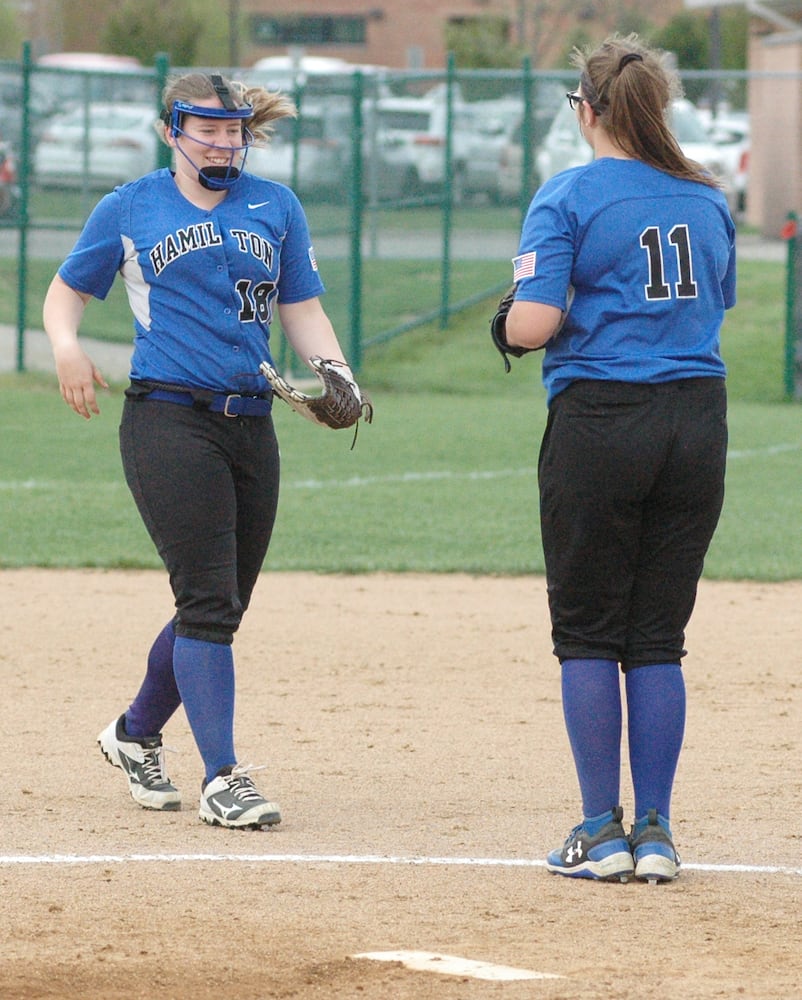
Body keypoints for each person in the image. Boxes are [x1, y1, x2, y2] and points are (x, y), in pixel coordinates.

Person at [43, 71, 367, 829]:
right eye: (208, 128)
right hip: (166, 418)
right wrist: (65, 346)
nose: (225, 141)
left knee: (223, 604)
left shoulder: (276, 206)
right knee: (208, 602)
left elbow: (301, 307)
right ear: (172, 132)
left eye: (235, 130)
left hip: (252, 422)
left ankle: (132, 734)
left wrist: (339, 375)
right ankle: (224, 778)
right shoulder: (130, 206)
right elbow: (67, 293)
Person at [498, 34, 735, 882]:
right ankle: (659, 834)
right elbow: (711, 303)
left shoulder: (569, 194)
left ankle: (601, 832)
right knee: (658, 639)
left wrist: (505, 321)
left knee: (590, 633)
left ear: (587, 111)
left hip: (603, 418)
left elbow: (533, 324)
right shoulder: (706, 199)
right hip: (696, 421)